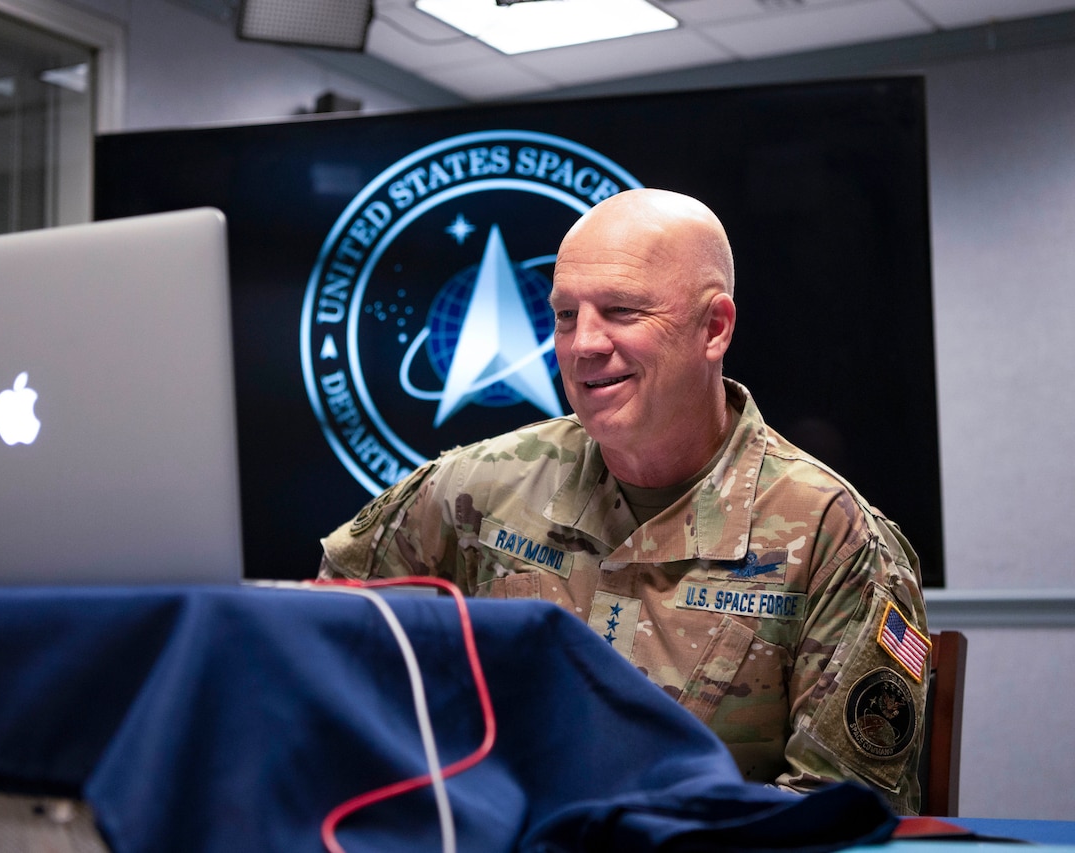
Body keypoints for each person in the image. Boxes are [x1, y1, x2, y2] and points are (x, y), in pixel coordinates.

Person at [318, 188, 929, 814]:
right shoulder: (480, 486)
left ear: (713, 328)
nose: (583, 344)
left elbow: (836, 816)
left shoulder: (832, 538)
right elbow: (321, 635)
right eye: (563, 315)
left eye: (621, 310)